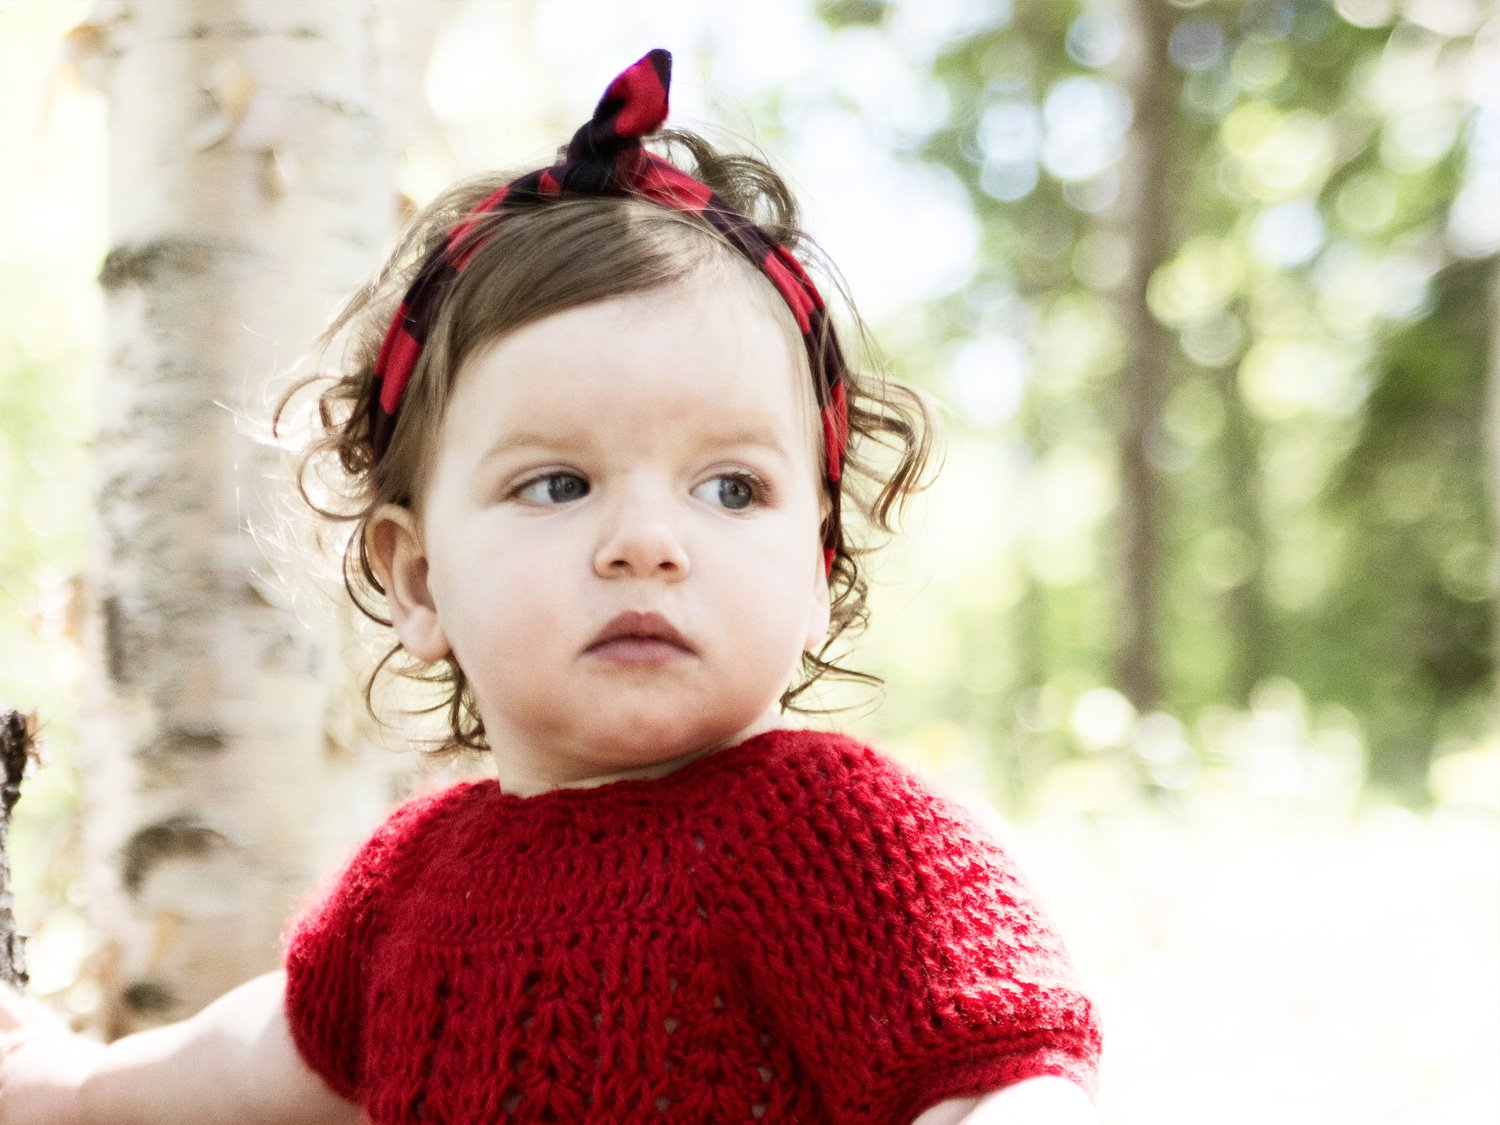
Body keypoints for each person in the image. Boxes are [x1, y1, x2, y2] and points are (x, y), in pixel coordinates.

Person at [0, 50, 1100, 1124]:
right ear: (418, 580)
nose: (647, 543)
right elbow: (260, 1058)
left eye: (730, 488)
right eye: (559, 483)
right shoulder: (415, 879)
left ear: (817, 569)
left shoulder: (834, 836)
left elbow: (1001, 1078)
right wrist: (73, 1091)